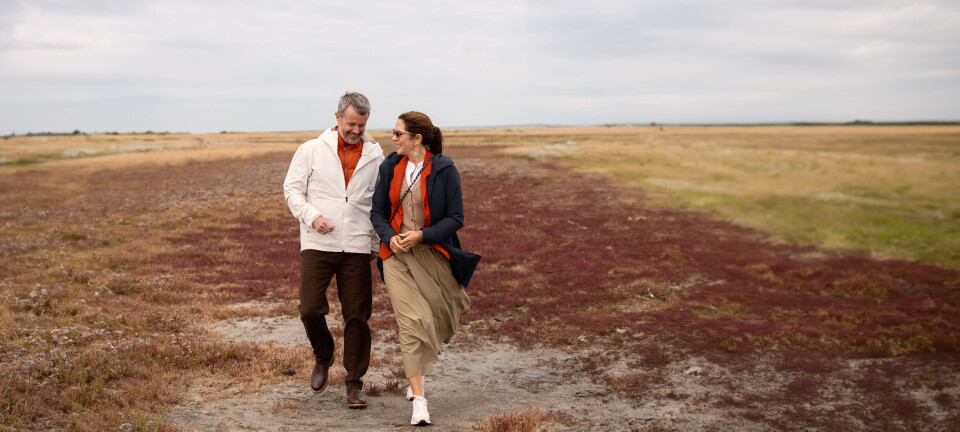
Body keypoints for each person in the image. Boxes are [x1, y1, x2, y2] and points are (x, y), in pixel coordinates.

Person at [370, 111, 481, 426]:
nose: (393, 139)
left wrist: (422, 235)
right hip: (394, 257)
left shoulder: (444, 169)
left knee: (438, 313)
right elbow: (377, 211)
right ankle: (419, 399)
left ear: (417, 138)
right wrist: (390, 238)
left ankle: (414, 374)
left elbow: (455, 218)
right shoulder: (390, 166)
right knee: (412, 322)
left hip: (431, 254)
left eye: (398, 134)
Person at [283, 92, 384, 409]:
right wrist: (313, 217)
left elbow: (377, 203)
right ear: (338, 117)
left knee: (358, 316)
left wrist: (374, 243)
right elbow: (291, 190)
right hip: (318, 243)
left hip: (356, 246)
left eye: (362, 125)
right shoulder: (311, 150)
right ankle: (323, 355)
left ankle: (354, 384)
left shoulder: (375, 156)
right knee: (310, 307)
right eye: (352, 124)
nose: (356, 131)